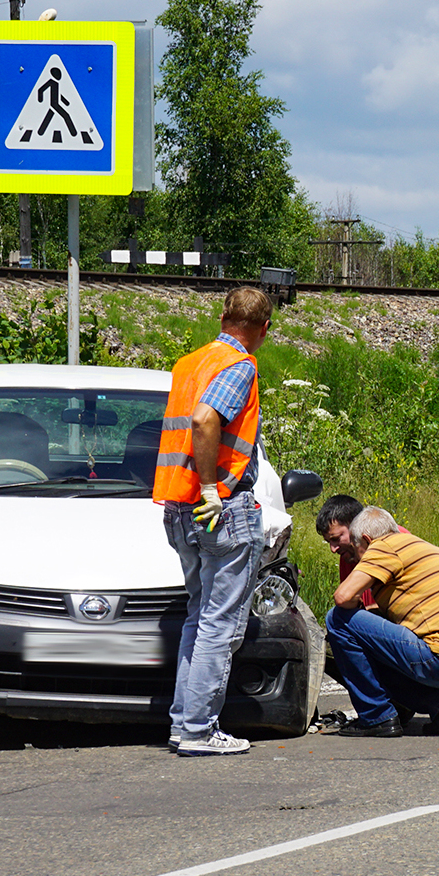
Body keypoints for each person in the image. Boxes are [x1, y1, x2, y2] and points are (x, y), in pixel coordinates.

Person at [153, 286, 273, 757]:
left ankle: (183, 724)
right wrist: (211, 489)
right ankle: (200, 731)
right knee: (219, 626)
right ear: (263, 330)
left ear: (223, 316)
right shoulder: (238, 366)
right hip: (218, 507)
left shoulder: (189, 363)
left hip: (178, 508)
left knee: (197, 619)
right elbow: (206, 421)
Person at [326, 507, 439, 737]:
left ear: (367, 540)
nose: (359, 558)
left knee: (338, 620)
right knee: (368, 635)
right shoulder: (423, 548)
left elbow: (343, 597)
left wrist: (357, 613)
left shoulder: (383, 546)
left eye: (358, 550)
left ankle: (376, 716)